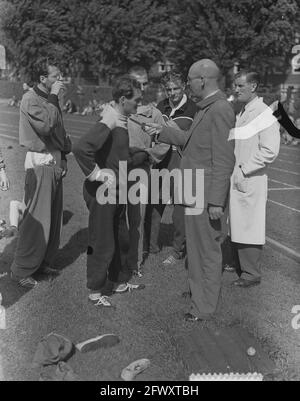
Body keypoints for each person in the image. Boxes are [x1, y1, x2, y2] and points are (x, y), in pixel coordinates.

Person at [146, 59, 235, 322]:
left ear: (202, 81)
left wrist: (217, 201)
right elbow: (188, 141)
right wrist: (160, 130)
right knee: (197, 250)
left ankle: (204, 308)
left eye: (189, 80)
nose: (187, 86)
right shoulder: (206, 108)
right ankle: (199, 297)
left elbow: (224, 159)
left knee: (206, 251)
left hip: (205, 194)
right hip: (195, 189)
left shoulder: (219, 109)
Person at [73, 76, 146, 308]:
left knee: (121, 238)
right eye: (137, 100)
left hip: (118, 192)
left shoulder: (120, 118)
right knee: (102, 241)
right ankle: (95, 291)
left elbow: (117, 153)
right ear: (123, 99)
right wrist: (98, 174)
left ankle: (118, 281)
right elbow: (80, 148)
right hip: (103, 194)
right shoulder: (110, 118)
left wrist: (142, 154)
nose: (139, 104)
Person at [10, 57, 72, 289]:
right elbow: (46, 126)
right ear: (42, 78)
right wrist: (55, 97)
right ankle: (21, 269)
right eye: (55, 76)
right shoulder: (30, 98)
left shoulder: (49, 98)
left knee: (53, 221)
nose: (59, 80)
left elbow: (60, 132)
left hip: (54, 163)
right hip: (39, 163)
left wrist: (64, 157)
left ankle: (43, 262)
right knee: (35, 221)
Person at [229, 70, 280, 288]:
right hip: (239, 176)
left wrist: (244, 169)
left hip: (251, 177)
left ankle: (251, 273)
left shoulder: (263, 113)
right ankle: (238, 264)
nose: (236, 89)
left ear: (254, 86)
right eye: (235, 85)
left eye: (240, 85)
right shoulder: (243, 111)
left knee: (249, 224)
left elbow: (270, 150)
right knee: (237, 222)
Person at [145, 71, 197, 265]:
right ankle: (150, 246)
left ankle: (177, 251)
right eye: (168, 89)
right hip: (161, 161)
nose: (172, 92)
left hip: (182, 163)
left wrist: (169, 129)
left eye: (175, 88)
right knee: (154, 205)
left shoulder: (194, 109)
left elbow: (192, 140)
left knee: (179, 211)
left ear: (183, 86)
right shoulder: (161, 106)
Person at [125, 67, 169, 276]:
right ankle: (117, 256)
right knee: (116, 215)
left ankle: (134, 261)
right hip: (118, 169)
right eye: (137, 83)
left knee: (137, 217)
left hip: (141, 170)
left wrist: (148, 155)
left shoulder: (155, 113)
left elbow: (165, 141)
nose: (142, 88)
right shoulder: (118, 109)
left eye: (144, 84)